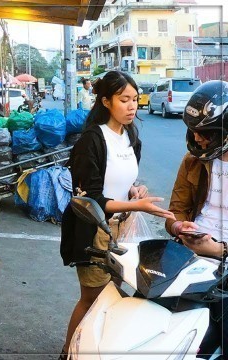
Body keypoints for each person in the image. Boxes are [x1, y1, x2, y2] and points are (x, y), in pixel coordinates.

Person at [59, 70, 175, 358]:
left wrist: (135, 190)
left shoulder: (131, 136)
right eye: (124, 99)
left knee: (112, 294)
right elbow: (93, 196)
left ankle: (97, 349)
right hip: (93, 229)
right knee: (93, 298)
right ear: (106, 101)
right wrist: (138, 206)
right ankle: (67, 352)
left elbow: (121, 181)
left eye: (135, 99)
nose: (132, 106)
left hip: (123, 230)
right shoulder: (92, 140)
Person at [164, 80, 228, 356]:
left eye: (206, 133)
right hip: (191, 254)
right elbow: (175, 210)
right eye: (193, 132)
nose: (198, 139)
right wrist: (179, 226)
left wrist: (220, 251)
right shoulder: (192, 161)